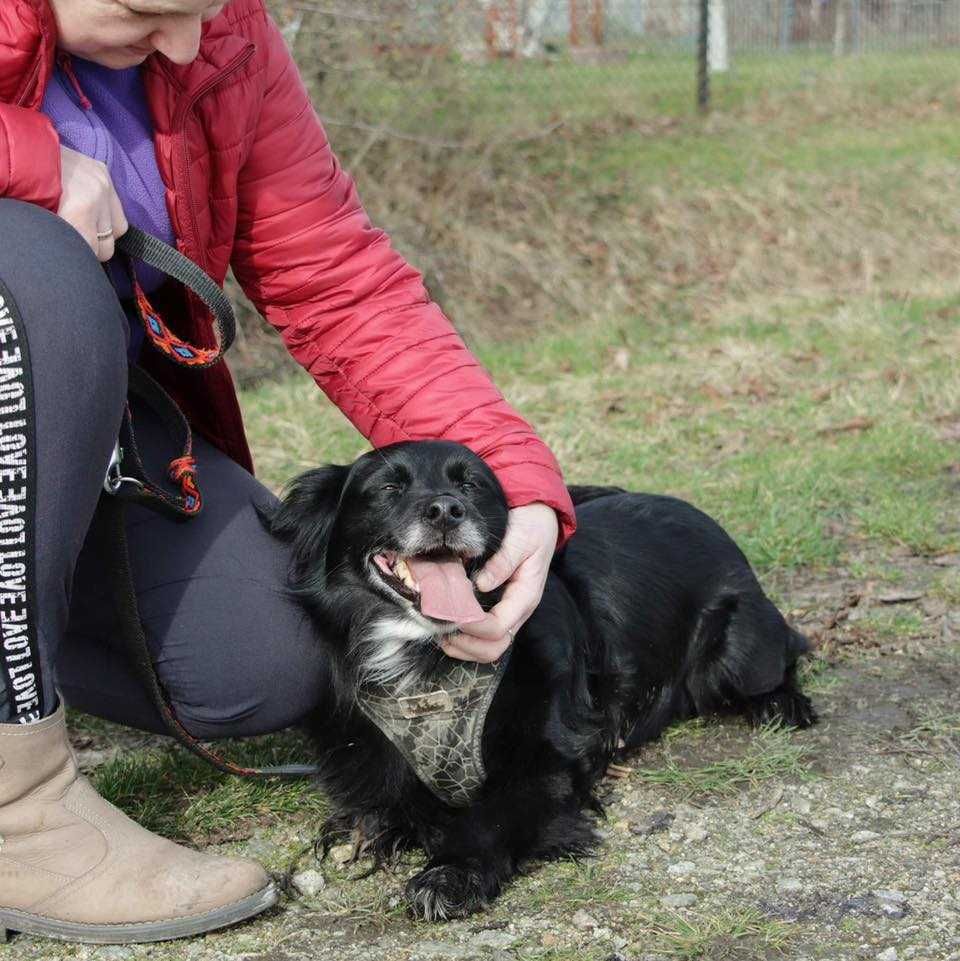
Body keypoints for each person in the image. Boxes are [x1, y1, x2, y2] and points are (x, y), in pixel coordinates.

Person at [0, 0, 577, 945]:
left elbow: (341, 282)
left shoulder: (219, 35)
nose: (189, 44)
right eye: (149, 8)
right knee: (31, 268)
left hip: (81, 441)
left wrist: (516, 482)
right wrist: (29, 164)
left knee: (267, 657)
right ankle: (15, 810)